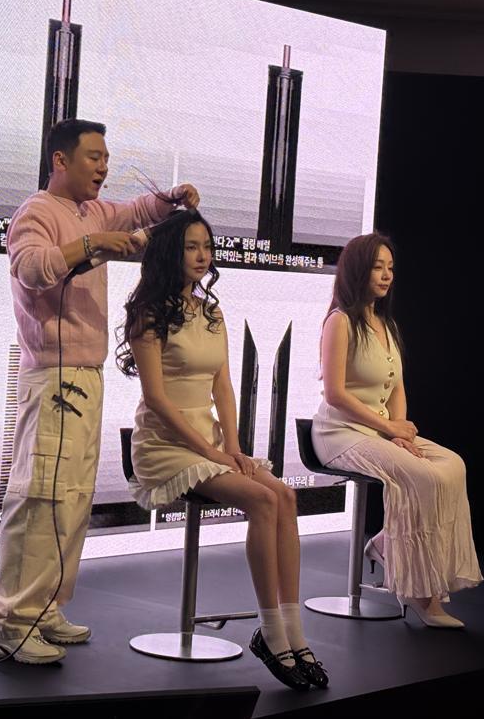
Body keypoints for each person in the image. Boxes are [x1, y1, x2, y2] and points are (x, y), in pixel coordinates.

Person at [0, 119, 200, 664]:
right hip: (52, 378)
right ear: (60, 160)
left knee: (73, 498)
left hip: (86, 377)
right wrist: (91, 244)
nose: (103, 167)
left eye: (106, 158)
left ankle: (45, 607)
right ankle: (9, 625)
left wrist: (171, 198)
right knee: (41, 498)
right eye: (94, 157)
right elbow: (31, 268)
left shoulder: (93, 211)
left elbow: (137, 211)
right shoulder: (36, 212)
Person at [117, 210, 327, 690]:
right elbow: (156, 399)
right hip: (165, 445)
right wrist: (211, 454)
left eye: (207, 247)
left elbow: (224, 386)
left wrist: (232, 447)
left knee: (285, 495)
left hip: (209, 441)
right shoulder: (149, 312)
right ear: (171, 252)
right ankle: (271, 633)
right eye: (191, 246)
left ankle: (293, 631)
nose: (202, 256)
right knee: (263, 499)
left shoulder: (211, 312)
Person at [312, 233, 482, 628]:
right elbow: (335, 394)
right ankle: (420, 593)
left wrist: (400, 435)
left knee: (453, 465)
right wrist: (390, 428)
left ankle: (388, 543)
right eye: (378, 267)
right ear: (358, 270)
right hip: (340, 434)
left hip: (378, 430)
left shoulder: (384, 324)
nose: (387, 275)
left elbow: (397, 388)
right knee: (422, 475)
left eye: (390, 267)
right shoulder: (340, 322)